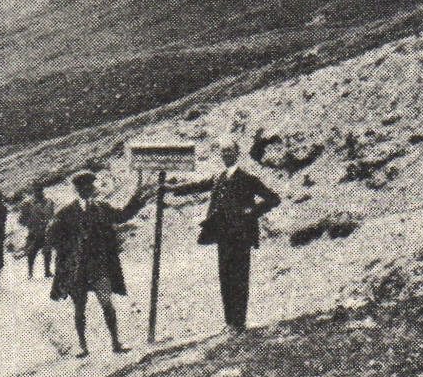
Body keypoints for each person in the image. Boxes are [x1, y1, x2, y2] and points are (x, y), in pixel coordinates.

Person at [168, 138, 282, 334]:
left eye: (229, 151)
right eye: (223, 152)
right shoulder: (218, 178)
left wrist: (252, 212)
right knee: (225, 278)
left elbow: (274, 198)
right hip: (223, 236)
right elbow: (197, 186)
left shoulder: (247, 178)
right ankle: (229, 323)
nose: (226, 155)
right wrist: (171, 190)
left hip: (241, 236)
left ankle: (239, 323)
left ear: (237, 152)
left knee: (240, 278)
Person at [49, 170, 147, 356]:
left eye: (91, 185)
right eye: (85, 186)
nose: (90, 189)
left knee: (107, 303)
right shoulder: (65, 213)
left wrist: (137, 200)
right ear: (78, 189)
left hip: (98, 265)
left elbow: (122, 216)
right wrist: (70, 249)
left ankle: (116, 343)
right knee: (79, 307)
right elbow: (53, 238)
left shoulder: (101, 208)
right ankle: (82, 346)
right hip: (77, 268)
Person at [19, 187, 55, 279]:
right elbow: (21, 220)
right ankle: (30, 272)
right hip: (33, 232)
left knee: (47, 251)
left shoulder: (49, 203)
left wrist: (50, 224)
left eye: (40, 191)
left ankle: (47, 271)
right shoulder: (27, 204)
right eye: (36, 191)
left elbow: (52, 215)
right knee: (31, 252)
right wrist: (29, 223)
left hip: (46, 231)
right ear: (33, 192)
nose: (38, 193)